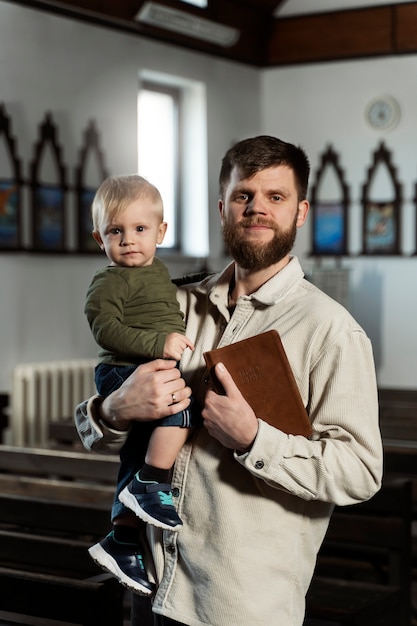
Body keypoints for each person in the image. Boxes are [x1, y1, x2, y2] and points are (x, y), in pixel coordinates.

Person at [75, 136, 383, 626]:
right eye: (243, 196)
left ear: (300, 212)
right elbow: (91, 425)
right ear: (223, 208)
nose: (256, 209)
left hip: (237, 605)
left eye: (275, 197)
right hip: (149, 586)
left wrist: (254, 439)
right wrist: (114, 409)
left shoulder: (332, 330)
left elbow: (360, 473)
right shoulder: (171, 304)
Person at [84, 174, 200, 597]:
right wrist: (159, 343)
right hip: (122, 371)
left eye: (140, 229)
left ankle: (121, 540)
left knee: (134, 452)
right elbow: (106, 331)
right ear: (100, 238)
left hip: (148, 369)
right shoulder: (107, 281)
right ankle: (151, 482)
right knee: (181, 411)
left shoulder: (157, 270)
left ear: (161, 232)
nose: (129, 240)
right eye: (116, 231)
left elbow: (162, 296)